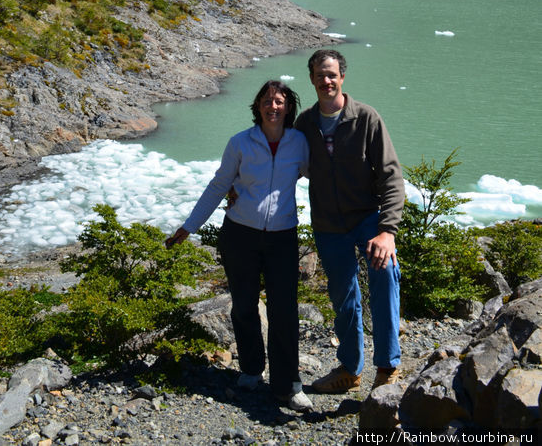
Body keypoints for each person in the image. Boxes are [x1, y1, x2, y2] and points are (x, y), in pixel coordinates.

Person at [166, 80, 313, 412]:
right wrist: (189, 226)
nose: (272, 107)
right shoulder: (241, 143)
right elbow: (219, 184)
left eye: (279, 101)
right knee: (244, 306)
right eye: (266, 101)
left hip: (282, 237)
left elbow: (312, 174)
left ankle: (288, 384)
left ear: (289, 107)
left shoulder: (299, 143)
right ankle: (250, 369)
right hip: (240, 235)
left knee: (284, 311)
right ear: (257, 106)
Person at [295, 49, 404, 395]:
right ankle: (350, 369)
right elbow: (281, 164)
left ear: (342, 77)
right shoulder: (304, 124)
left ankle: (387, 367)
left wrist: (387, 232)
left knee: (385, 275)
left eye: (332, 74)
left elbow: (391, 177)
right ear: (311, 79)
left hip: (368, 217)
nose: (326, 80)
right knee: (343, 295)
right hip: (328, 223)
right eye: (319, 75)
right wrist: (241, 190)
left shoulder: (367, 118)